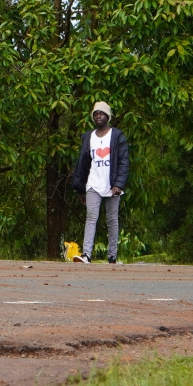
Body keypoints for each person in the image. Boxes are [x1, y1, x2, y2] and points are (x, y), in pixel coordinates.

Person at [70, 101, 128, 264]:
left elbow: (124, 161)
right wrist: (81, 189)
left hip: (112, 185)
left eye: (101, 113)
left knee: (112, 219)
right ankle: (86, 255)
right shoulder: (89, 137)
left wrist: (119, 184)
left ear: (108, 116)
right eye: (95, 114)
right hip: (93, 184)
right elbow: (83, 163)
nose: (98, 116)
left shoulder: (117, 136)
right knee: (91, 217)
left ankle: (112, 256)